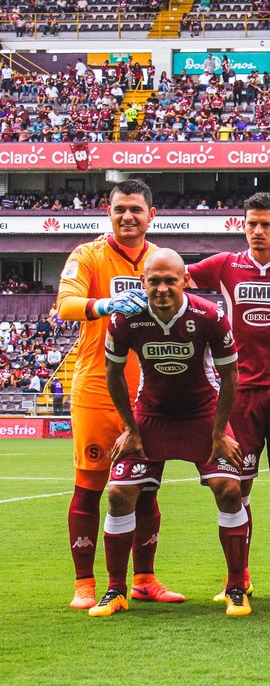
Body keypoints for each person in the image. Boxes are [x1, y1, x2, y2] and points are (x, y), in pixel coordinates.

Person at [90, 249, 248, 617]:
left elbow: (230, 376)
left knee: (229, 489)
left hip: (201, 414)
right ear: (143, 283)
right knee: (118, 493)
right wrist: (130, 427)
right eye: (154, 282)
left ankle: (236, 587)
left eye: (169, 281)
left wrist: (220, 431)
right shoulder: (124, 319)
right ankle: (115, 590)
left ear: (185, 281)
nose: (161, 289)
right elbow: (113, 373)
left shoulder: (209, 315)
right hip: (151, 415)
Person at [186, 192, 270, 600]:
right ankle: (239, 576)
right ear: (241, 226)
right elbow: (175, 277)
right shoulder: (225, 265)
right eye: (251, 224)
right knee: (236, 489)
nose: (258, 231)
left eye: (266, 224)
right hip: (240, 394)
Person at [55, 179, 179, 611]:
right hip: (97, 391)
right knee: (89, 489)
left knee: (146, 490)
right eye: (120, 209)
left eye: (136, 210)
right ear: (109, 213)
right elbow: (65, 304)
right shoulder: (88, 255)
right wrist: (105, 305)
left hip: (150, 396)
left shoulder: (161, 261)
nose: (128, 216)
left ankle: (144, 579)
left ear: (151, 215)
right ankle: (86, 583)